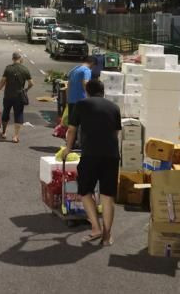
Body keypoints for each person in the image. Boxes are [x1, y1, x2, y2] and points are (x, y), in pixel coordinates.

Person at [63, 79, 121, 246]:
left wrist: (68, 148)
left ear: (87, 91)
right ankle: (107, 235)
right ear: (103, 92)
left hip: (90, 154)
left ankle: (95, 228)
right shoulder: (114, 107)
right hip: (111, 155)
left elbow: (72, 129)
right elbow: (116, 132)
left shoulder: (82, 104)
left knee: (85, 191)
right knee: (107, 196)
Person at [0, 52, 34, 143]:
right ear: (20, 58)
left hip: (8, 96)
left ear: (13, 59)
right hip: (19, 96)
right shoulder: (25, 69)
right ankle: (15, 136)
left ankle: (4, 132)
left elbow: (2, 82)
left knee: (6, 113)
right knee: (18, 115)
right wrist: (26, 90)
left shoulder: (8, 69)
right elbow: (31, 83)